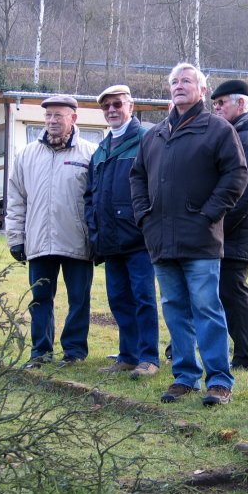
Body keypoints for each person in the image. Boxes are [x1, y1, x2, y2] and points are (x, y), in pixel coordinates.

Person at [130, 63, 247, 406]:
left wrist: (209, 214)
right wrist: (144, 215)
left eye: (187, 81)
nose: (179, 86)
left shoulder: (218, 129)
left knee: (207, 308)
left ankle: (220, 381)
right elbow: (137, 177)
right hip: (161, 240)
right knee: (175, 309)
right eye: (175, 81)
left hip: (200, 239)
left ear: (202, 90)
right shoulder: (154, 134)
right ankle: (185, 376)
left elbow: (236, 176)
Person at [6, 94, 97, 369]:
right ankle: (40, 352)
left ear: (73, 118)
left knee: (78, 299)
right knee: (41, 298)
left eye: (59, 115)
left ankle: (74, 351)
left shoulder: (90, 153)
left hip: (77, 241)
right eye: (48, 115)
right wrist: (16, 238)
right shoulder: (26, 155)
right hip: (38, 241)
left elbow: (97, 200)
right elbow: (16, 198)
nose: (52, 120)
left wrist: (96, 238)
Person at [84, 85, 160, 378]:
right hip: (110, 239)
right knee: (118, 299)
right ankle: (128, 355)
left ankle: (149, 358)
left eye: (117, 104)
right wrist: (94, 226)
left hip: (138, 238)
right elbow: (90, 194)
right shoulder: (102, 148)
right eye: (106, 107)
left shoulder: (146, 140)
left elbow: (155, 186)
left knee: (143, 297)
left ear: (131, 106)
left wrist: (146, 223)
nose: (112, 110)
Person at [211, 79, 248, 371]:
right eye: (215, 104)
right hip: (238, 231)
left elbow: (246, 192)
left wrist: (221, 227)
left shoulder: (246, 137)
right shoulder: (241, 132)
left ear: (241, 104)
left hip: (237, 232)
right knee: (231, 293)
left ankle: (247, 358)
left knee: (233, 294)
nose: (217, 108)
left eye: (222, 103)